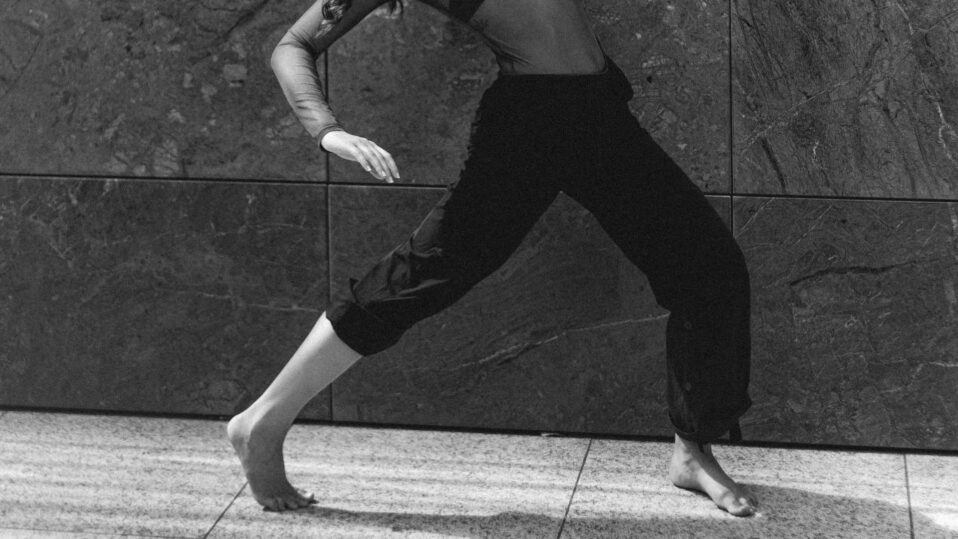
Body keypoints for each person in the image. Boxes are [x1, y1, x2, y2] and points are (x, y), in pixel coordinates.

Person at [228, 0, 759, 517]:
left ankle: (691, 449)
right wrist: (328, 129)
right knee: (420, 275)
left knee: (709, 269)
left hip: (599, 115)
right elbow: (292, 45)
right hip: (529, 127)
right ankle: (264, 421)